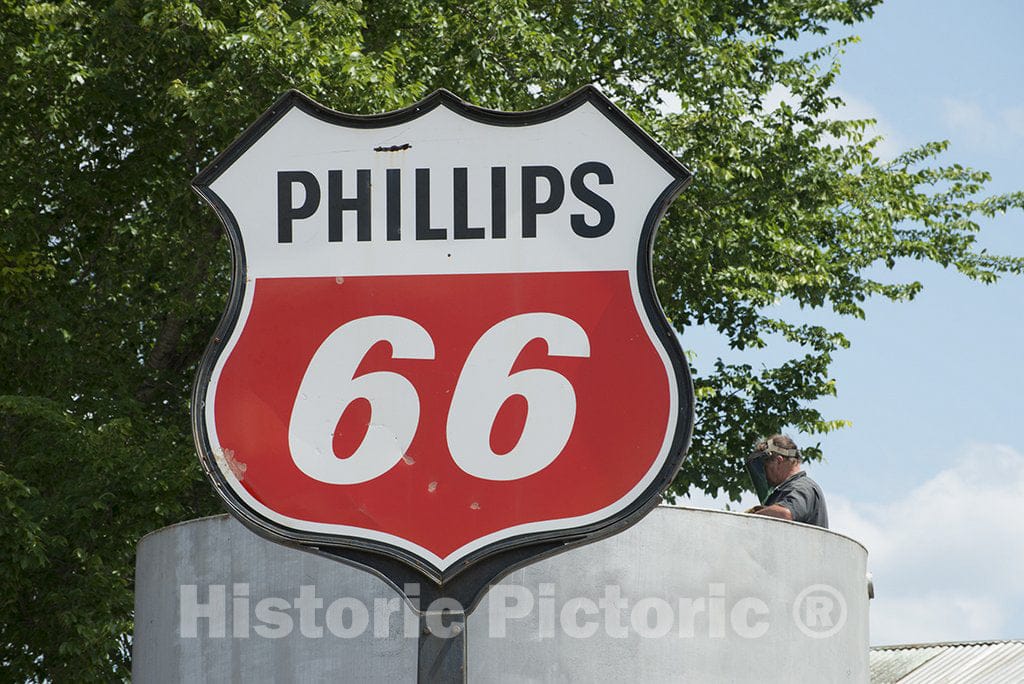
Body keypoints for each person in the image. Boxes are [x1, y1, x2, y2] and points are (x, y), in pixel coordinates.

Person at [745, 434, 829, 528]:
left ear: (778, 461)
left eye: (766, 467)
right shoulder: (785, 490)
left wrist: (749, 519)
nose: (765, 474)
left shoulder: (802, 487)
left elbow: (785, 513)